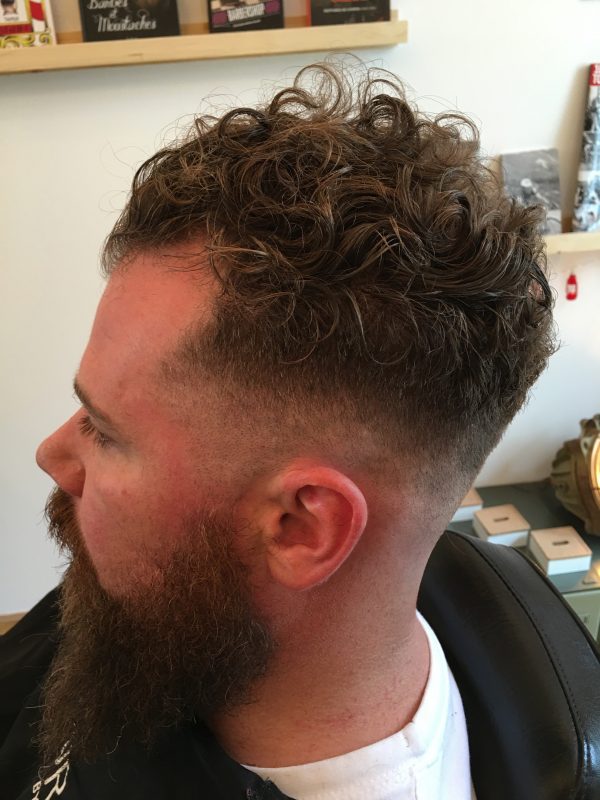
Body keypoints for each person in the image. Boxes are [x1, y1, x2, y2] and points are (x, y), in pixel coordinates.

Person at [0, 63, 554, 800]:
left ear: (299, 528)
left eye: (104, 432)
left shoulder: (168, 584)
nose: (52, 455)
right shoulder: (159, 610)